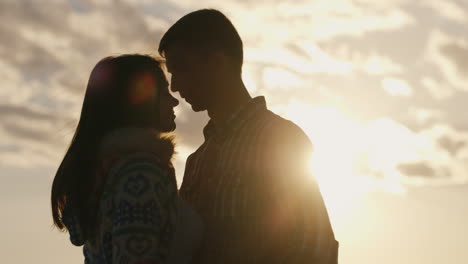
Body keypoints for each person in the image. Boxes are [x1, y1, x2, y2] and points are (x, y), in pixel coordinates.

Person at [158, 9, 339, 264]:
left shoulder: (280, 139)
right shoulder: (197, 161)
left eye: (181, 68)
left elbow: (315, 244)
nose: (175, 86)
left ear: (217, 62)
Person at [51, 54, 202, 264]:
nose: (174, 100)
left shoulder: (106, 173)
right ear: (140, 100)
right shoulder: (140, 173)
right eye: (164, 91)